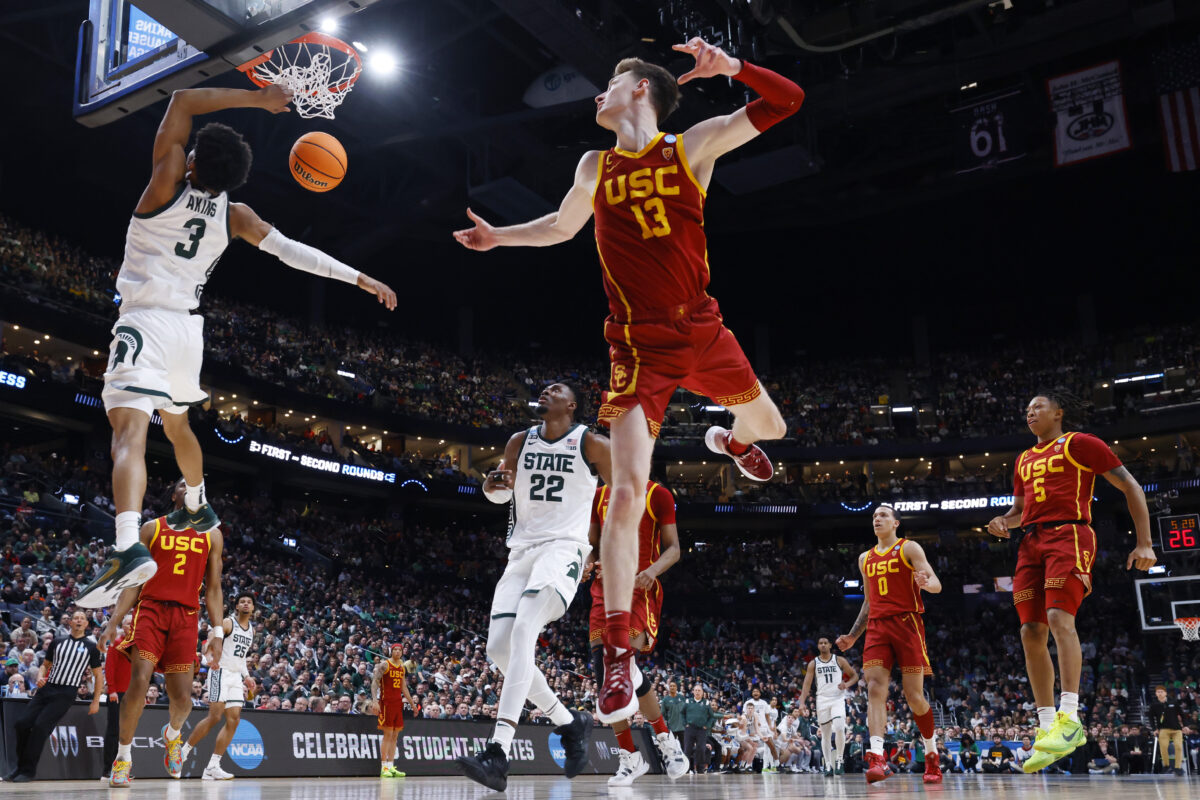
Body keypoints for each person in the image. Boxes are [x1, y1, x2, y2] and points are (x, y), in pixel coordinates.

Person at [453, 39, 803, 720]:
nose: (596, 95)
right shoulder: (593, 165)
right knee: (624, 494)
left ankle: (731, 442)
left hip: (699, 327)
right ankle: (618, 655)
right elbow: (560, 227)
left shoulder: (691, 147)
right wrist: (501, 239)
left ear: (641, 90)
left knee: (772, 429)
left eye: (609, 84)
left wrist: (732, 69)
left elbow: (788, 101)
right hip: (636, 343)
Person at [75, 83, 396, 609]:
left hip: (145, 322)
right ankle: (199, 505)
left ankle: (128, 545)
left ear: (192, 159)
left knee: (128, 432)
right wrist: (359, 278)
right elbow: (295, 253)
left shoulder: (164, 182)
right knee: (176, 426)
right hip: (187, 332)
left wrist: (261, 100)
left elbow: (181, 99)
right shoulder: (236, 215)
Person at [987, 390, 1156, 772]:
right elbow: (1019, 510)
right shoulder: (1023, 459)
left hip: (1069, 535)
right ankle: (1048, 729)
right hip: (1029, 542)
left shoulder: (1079, 444)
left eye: (1037, 407)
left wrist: (1144, 542)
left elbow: (1131, 486)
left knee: (1060, 619)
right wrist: (1003, 521)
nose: (1029, 412)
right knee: (1030, 630)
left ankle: (1070, 717)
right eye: (1026, 408)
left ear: (1058, 413)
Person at [454, 384, 611, 791]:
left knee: (525, 631)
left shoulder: (591, 443)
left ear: (571, 406)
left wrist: (599, 552)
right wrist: (492, 486)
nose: (545, 392)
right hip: (522, 552)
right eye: (544, 389)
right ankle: (569, 722)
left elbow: (620, 499)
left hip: (564, 549)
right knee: (499, 650)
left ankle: (498, 753)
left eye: (555, 390)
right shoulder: (519, 441)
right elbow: (499, 494)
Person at [97, 479, 225, 787]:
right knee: (139, 681)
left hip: (187, 616)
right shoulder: (152, 528)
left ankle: (172, 735)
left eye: (196, 484)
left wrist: (217, 632)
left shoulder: (213, 535)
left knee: (183, 698)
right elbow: (134, 581)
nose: (190, 487)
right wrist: (113, 622)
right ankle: (123, 757)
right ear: (174, 495)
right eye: (183, 484)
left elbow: (214, 588)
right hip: (151, 610)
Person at [584, 480, 687, 785]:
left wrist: (652, 571)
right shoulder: (599, 495)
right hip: (603, 589)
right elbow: (592, 546)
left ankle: (666, 741)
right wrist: (587, 564)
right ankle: (631, 757)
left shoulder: (658, 494)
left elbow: (674, 549)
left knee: (621, 661)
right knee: (606, 680)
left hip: (637, 588)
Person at [836, 504, 943, 785]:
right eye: (874, 516)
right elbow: (869, 603)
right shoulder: (864, 559)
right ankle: (877, 757)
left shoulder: (909, 548)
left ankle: (932, 754)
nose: (877, 519)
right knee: (873, 688)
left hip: (907, 624)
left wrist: (926, 582)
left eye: (883, 515)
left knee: (914, 697)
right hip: (878, 628)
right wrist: (852, 636)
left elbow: (936, 584)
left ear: (896, 523)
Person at [7, 611, 103, 782]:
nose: (79, 620)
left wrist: (96, 700)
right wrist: (39, 677)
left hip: (66, 693)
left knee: (40, 728)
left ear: (87, 624)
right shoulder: (58, 642)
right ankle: (19, 767)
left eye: (82, 618)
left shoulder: (91, 647)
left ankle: (27, 771)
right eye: (76, 618)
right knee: (22, 724)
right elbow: (44, 666)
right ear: (70, 623)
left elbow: (98, 675)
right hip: (47, 688)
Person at [180, 593, 257, 779]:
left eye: (249, 602)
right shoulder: (229, 622)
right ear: (237, 606)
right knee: (215, 716)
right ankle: (183, 752)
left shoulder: (251, 630)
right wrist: (208, 658)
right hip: (220, 672)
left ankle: (213, 766)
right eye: (242, 602)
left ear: (253, 608)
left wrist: (247, 676)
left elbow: (240, 657)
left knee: (234, 719)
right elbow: (210, 638)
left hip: (235, 676)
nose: (246, 604)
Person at [798, 635, 858, 776]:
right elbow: (806, 684)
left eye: (826, 643)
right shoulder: (813, 663)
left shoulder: (839, 660)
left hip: (837, 698)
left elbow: (855, 676)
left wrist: (846, 684)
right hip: (822, 700)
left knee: (838, 727)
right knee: (825, 734)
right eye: (820, 643)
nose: (823, 645)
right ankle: (828, 765)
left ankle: (839, 760)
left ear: (830, 645)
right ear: (818, 646)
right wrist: (802, 702)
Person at [369, 642, 417, 778]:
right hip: (386, 703)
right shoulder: (384, 665)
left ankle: (391, 766)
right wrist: (374, 701)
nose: (397, 652)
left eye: (399, 650)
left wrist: (413, 704)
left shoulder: (402, 667)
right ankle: (383, 767)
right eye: (395, 649)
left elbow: (404, 688)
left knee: (395, 736)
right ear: (391, 651)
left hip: (397, 703)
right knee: (388, 734)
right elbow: (374, 682)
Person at [101, 615, 132, 781]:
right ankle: (107, 770)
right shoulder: (116, 643)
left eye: (133, 623)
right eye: (128, 623)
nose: (131, 626)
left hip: (131, 694)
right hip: (117, 693)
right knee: (113, 731)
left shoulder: (137, 644)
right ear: (123, 626)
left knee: (126, 733)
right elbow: (110, 667)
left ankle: (122, 769)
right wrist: (111, 689)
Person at [1149, 685, 1190, 775]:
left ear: (1165, 693)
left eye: (1161, 692)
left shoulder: (1173, 702)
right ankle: (1166, 765)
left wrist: (1185, 726)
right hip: (1163, 729)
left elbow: (1182, 715)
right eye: (1158, 692)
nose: (1160, 693)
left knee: (1178, 747)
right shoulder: (1154, 705)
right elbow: (1151, 718)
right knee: (1163, 747)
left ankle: (1178, 767)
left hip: (1177, 729)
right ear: (1156, 694)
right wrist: (1154, 729)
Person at [681, 683, 718, 775]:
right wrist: (685, 724)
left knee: (701, 749)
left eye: (699, 690)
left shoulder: (706, 703)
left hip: (701, 730)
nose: (697, 692)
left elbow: (712, 716)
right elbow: (682, 713)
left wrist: (707, 725)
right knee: (687, 749)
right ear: (693, 692)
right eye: (696, 690)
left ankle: (700, 769)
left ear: (702, 693)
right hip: (690, 729)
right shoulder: (688, 701)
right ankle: (687, 769)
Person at [743, 687, 780, 772]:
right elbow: (744, 715)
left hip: (764, 727)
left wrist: (770, 726)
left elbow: (767, 716)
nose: (755, 693)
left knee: (771, 745)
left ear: (760, 693)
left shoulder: (764, 703)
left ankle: (776, 764)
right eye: (754, 691)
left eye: (757, 691)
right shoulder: (748, 703)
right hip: (753, 728)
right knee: (752, 748)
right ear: (752, 693)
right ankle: (749, 766)